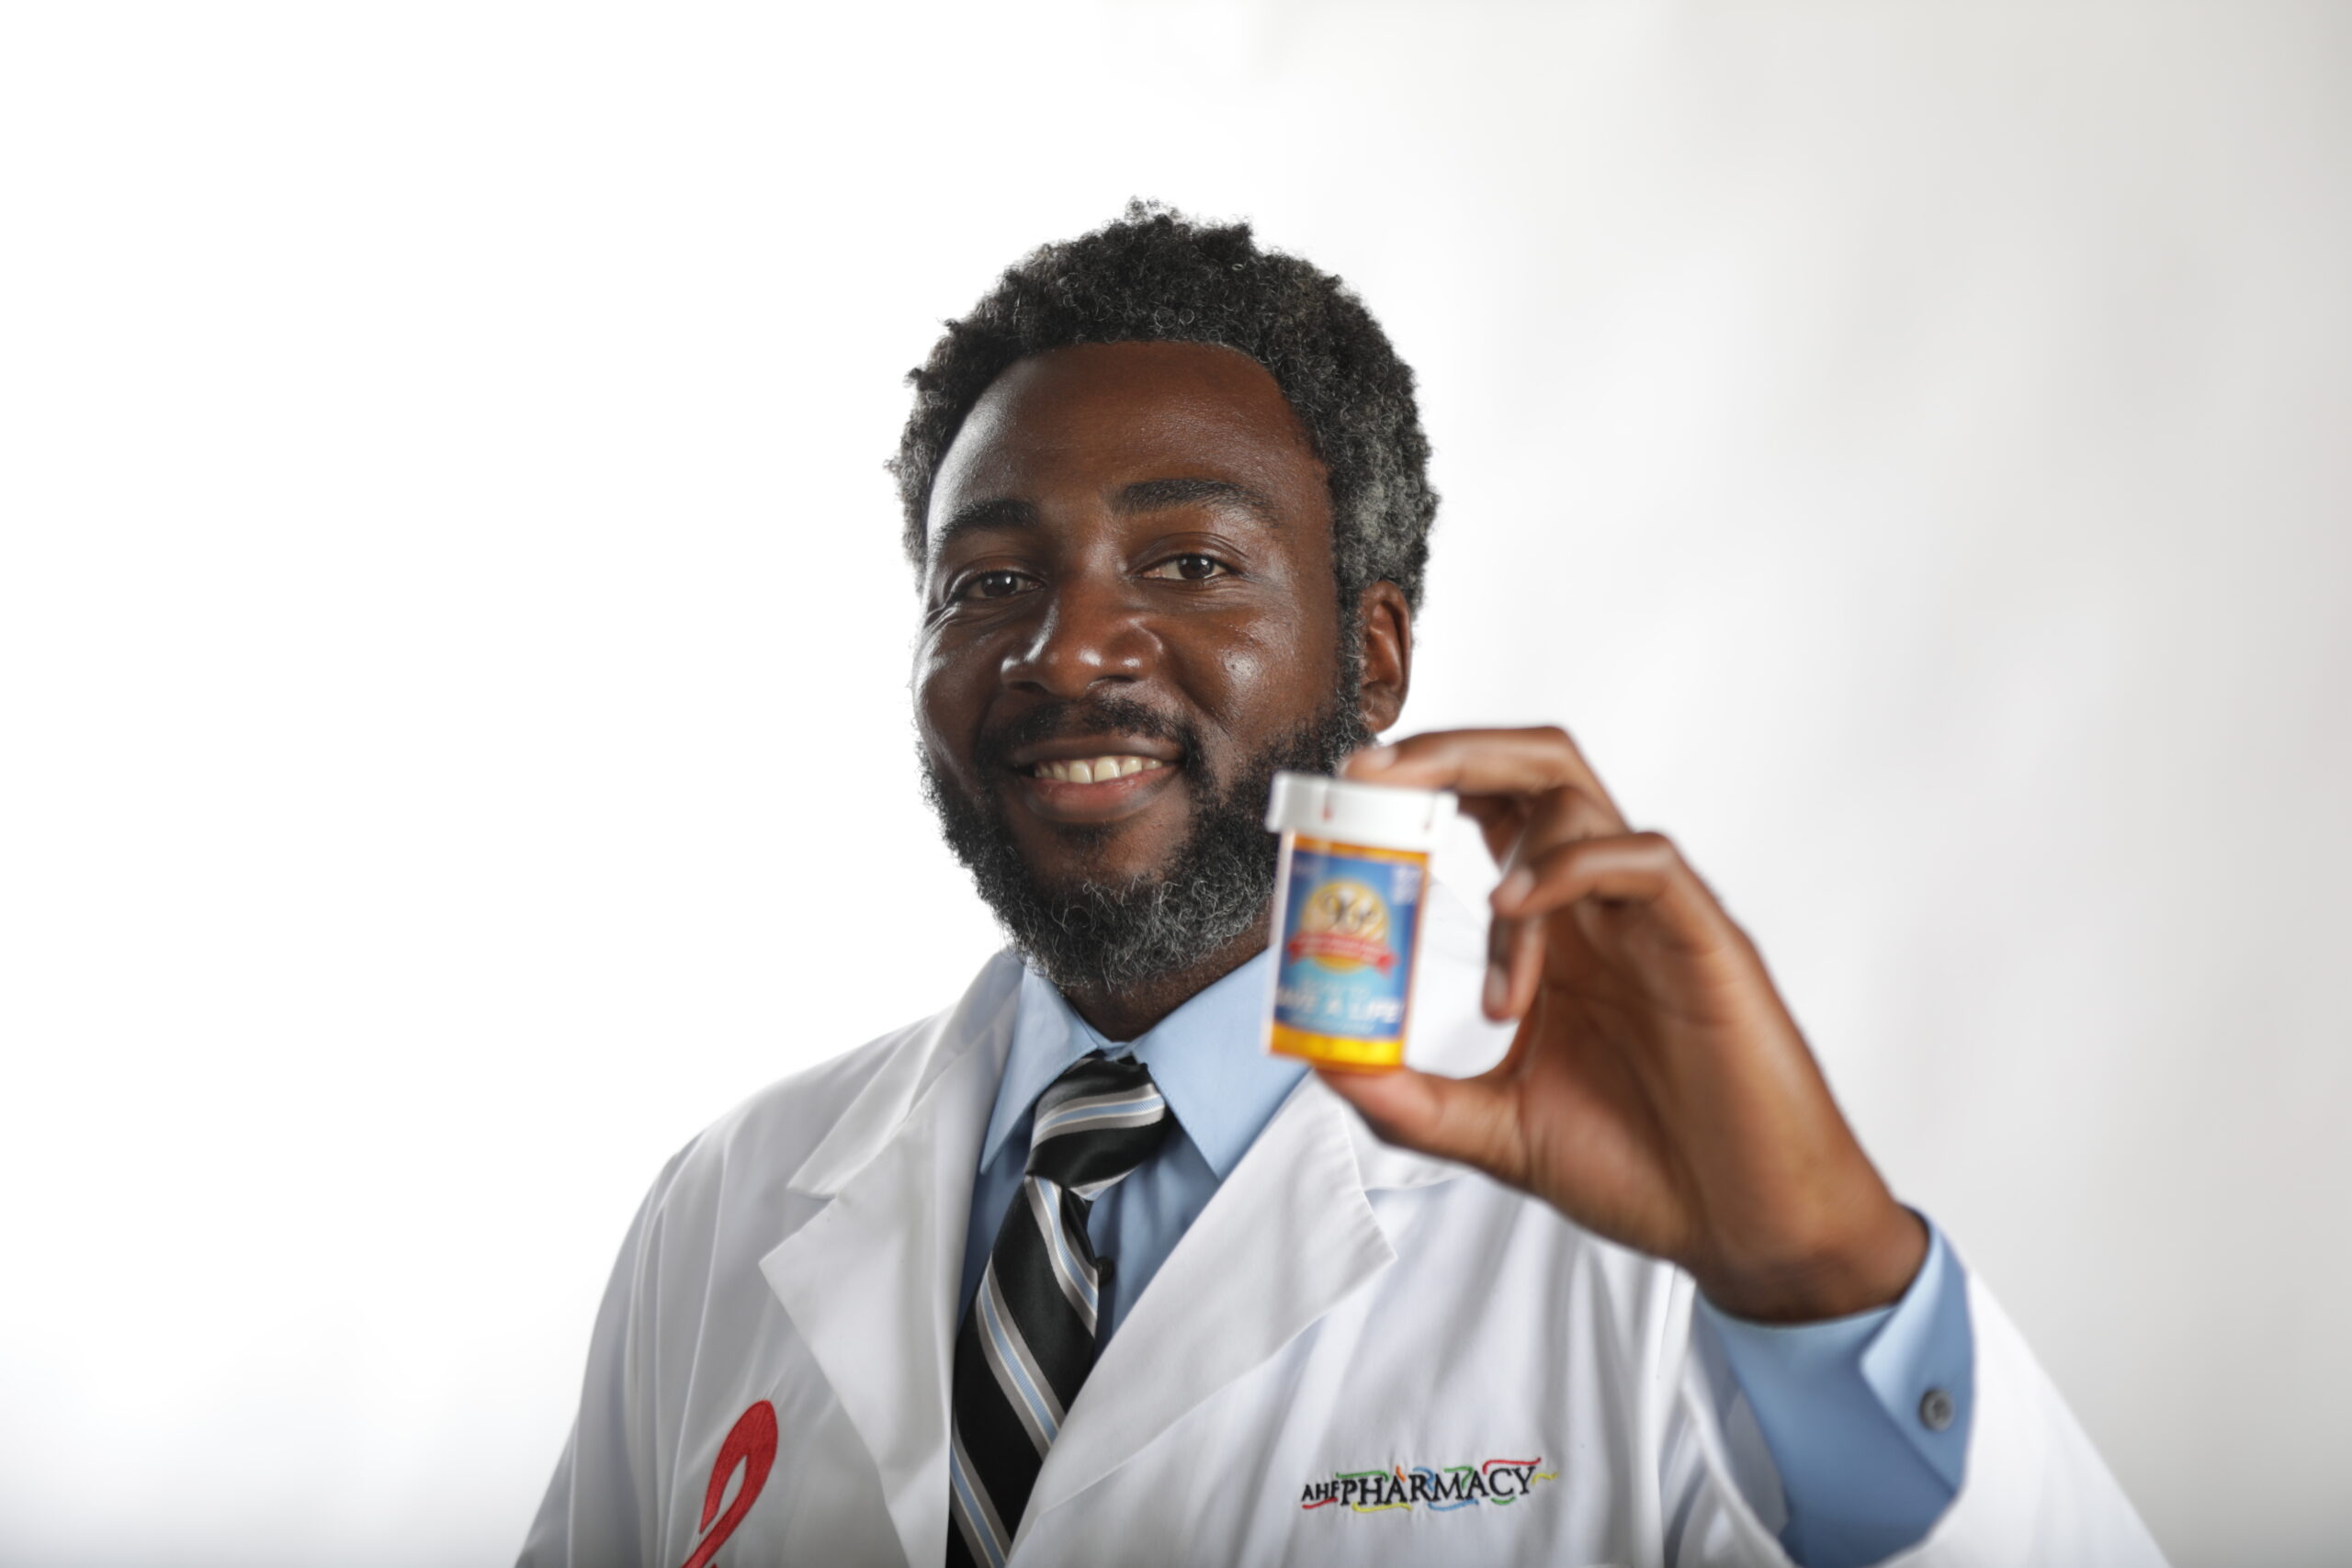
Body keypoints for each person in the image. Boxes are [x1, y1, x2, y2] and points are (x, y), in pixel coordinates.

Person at [520, 204, 2164, 1567]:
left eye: (1189, 563)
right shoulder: (730, 1208)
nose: (1067, 645)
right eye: (991, 578)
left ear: (1370, 652)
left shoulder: (1667, 1242)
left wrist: (1820, 1285)